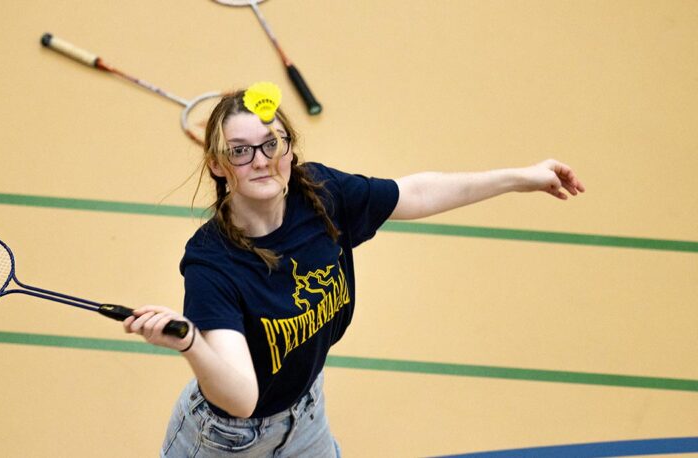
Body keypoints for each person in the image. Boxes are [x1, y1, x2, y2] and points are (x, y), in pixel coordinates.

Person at [123, 88, 585, 457]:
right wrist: (190, 344)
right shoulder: (212, 263)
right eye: (240, 151)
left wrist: (521, 177)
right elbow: (241, 397)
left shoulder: (320, 194)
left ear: (289, 150)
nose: (261, 160)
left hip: (305, 417)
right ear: (218, 166)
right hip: (226, 442)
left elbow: (416, 193)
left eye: (271, 144)